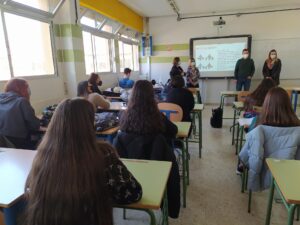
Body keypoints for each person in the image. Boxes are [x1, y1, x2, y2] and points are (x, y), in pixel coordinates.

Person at [24, 98, 142, 225]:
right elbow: (134, 192)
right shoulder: (102, 153)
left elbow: (30, 189)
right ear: (89, 123)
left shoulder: (43, 156)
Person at [113, 80, 180, 218]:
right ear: (152, 95)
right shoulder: (157, 117)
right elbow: (174, 131)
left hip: (130, 176)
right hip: (156, 176)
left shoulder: (124, 116)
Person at [238, 87, 300, 191]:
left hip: (263, 171)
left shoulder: (259, 129)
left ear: (266, 105)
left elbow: (245, 157)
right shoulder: (297, 129)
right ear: (288, 105)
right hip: (289, 177)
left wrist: (242, 164)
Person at [0, 78, 40, 149]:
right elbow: (35, 125)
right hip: (20, 143)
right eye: (27, 88)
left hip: (3, 145)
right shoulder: (21, 101)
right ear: (22, 89)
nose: (29, 91)